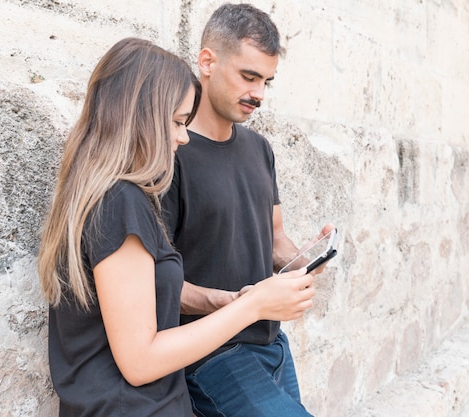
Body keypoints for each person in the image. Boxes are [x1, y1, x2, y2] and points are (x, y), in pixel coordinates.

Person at [37, 37, 315, 417]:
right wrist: (253, 306)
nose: (184, 136)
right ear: (139, 116)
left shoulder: (115, 196)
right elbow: (140, 361)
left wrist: (227, 300)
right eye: (177, 122)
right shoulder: (119, 203)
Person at [162, 4, 334, 417]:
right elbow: (155, 281)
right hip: (212, 354)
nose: (258, 93)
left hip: (271, 344)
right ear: (207, 61)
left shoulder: (259, 149)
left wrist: (305, 260)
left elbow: (274, 238)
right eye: (249, 76)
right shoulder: (171, 153)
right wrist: (234, 304)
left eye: (267, 81)